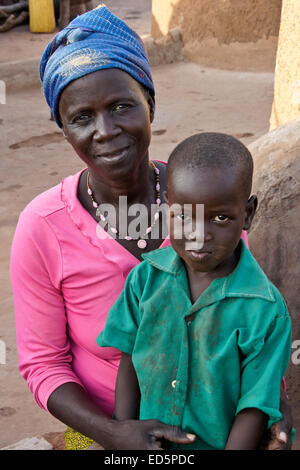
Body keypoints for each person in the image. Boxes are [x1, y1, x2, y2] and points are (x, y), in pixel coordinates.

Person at [10, 6, 292, 450]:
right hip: (102, 428)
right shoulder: (42, 227)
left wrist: (269, 400)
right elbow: (43, 364)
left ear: (150, 104)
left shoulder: (207, 197)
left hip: (217, 427)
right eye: (82, 117)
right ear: (62, 129)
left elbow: (244, 317)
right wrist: (115, 433)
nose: (106, 130)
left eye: (122, 106)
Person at [98, 132, 292, 450]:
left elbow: (255, 405)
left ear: (248, 213)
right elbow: (129, 363)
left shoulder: (266, 310)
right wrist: (124, 435)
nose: (199, 236)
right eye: (184, 216)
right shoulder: (144, 282)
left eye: (220, 218)